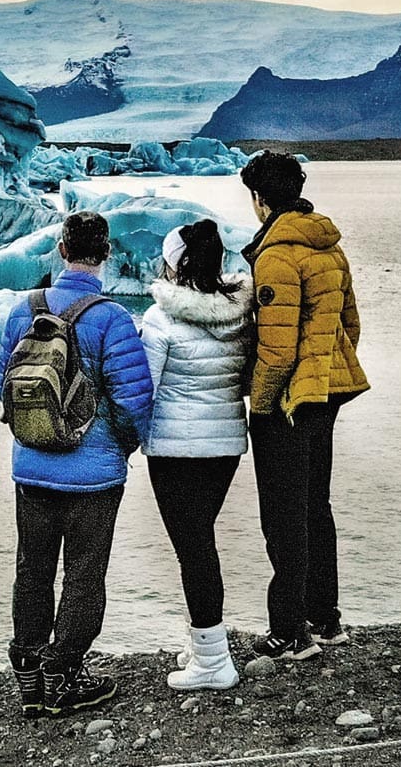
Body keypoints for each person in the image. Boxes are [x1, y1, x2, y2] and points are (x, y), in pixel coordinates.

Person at [0, 210, 154, 717]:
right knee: (84, 575)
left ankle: (28, 674)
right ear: (105, 254)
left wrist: (31, 436)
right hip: (94, 475)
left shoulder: (24, 310)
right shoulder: (111, 318)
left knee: (33, 569)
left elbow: (2, 382)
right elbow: (134, 401)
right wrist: (123, 448)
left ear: (61, 250)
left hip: (32, 467)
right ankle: (63, 676)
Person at [240, 151, 369, 660]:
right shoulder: (329, 247)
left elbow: (275, 350)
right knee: (317, 504)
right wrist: (326, 371)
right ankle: (326, 619)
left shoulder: (277, 256)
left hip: (289, 401)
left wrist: (262, 406)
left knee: (283, 514)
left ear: (260, 199)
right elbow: (350, 325)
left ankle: (290, 632)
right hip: (328, 391)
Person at [139, 219, 252, 691]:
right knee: (200, 541)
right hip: (224, 446)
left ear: (175, 262)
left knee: (194, 549)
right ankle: (204, 644)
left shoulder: (160, 318)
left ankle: (213, 662)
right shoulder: (241, 314)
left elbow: (143, 387)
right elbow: (245, 379)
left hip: (173, 449)